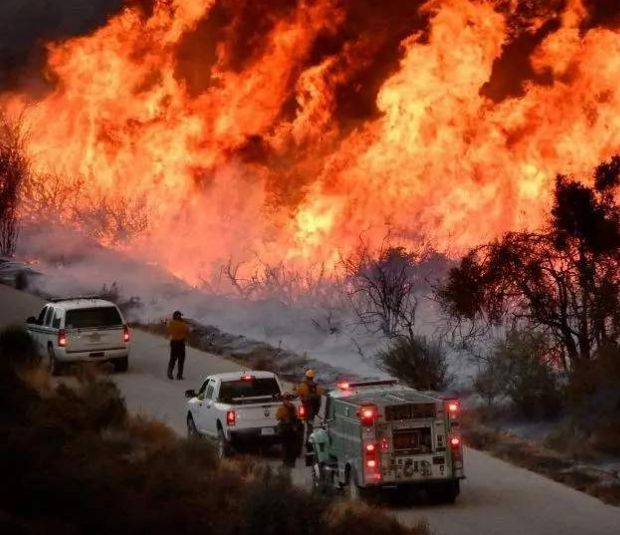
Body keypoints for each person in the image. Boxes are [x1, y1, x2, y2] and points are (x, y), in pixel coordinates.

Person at [276, 392, 303, 469]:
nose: (286, 401)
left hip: (287, 429)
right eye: (286, 399)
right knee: (290, 446)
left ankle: (287, 462)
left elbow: (277, 417)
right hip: (291, 429)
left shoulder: (282, 408)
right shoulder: (292, 407)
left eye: (286, 399)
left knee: (287, 446)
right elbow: (296, 416)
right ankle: (290, 462)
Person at [296, 369, 323, 436]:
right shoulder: (316, 386)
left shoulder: (302, 385)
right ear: (313, 377)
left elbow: (297, 393)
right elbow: (319, 397)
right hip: (314, 409)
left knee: (308, 425)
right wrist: (317, 410)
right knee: (310, 423)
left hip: (306, 407)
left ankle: (309, 439)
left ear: (306, 376)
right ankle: (310, 436)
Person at [166, 310, 190, 380]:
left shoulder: (170, 323)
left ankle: (169, 373)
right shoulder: (183, 324)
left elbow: (168, 330)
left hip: (173, 342)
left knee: (173, 358)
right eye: (180, 316)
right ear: (178, 316)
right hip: (181, 343)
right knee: (181, 360)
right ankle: (179, 376)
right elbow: (187, 331)